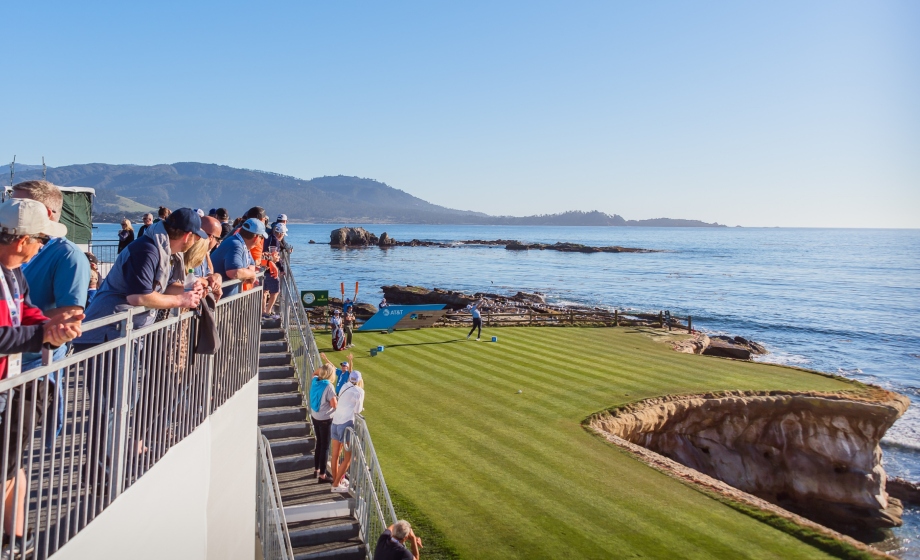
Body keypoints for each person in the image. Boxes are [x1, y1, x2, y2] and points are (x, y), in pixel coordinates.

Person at [0, 198, 83, 559]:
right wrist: (42, 336)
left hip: (11, 383)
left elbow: (26, 310)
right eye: (39, 240)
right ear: (22, 242)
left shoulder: (14, 271)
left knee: (10, 466)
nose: (41, 246)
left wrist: (48, 325)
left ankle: (15, 540)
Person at [74, 208, 206, 348]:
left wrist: (188, 289)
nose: (195, 243)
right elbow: (138, 296)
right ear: (187, 236)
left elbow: (163, 287)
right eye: (197, 238)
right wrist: (180, 300)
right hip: (105, 335)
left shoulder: (164, 250)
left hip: (122, 332)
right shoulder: (147, 250)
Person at [211, 218, 265, 298]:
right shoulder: (235, 244)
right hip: (220, 301)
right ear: (256, 237)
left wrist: (246, 274)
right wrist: (252, 275)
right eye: (262, 237)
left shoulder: (244, 245)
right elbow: (234, 272)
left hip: (228, 300)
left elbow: (251, 265)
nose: (261, 241)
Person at [330, 369, 364, 492]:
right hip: (345, 424)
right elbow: (357, 410)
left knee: (335, 455)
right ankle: (335, 485)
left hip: (335, 422)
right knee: (348, 458)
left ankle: (336, 481)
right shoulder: (359, 391)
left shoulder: (345, 385)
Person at [309, 363, 338, 483]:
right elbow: (334, 404)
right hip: (325, 419)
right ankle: (322, 475)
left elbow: (314, 373)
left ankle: (316, 469)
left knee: (319, 444)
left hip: (315, 416)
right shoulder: (329, 386)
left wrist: (323, 367)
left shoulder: (315, 380)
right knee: (325, 446)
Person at [190, 216, 224, 300]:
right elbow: (189, 279)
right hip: (185, 306)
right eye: (217, 239)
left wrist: (217, 277)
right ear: (211, 238)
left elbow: (209, 273)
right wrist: (208, 282)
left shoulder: (203, 254)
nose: (217, 243)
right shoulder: (190, 252)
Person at [261, 223, 286, 318]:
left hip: (263, 268)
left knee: (264, 291)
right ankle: (268, 311)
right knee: (275, 291)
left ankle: (262, 311)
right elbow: (276, 257)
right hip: (271, 269)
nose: (282, 236)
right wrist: (282, 269)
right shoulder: (275, 242)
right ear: (280, 233)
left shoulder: (268, 238)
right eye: (283, 234)